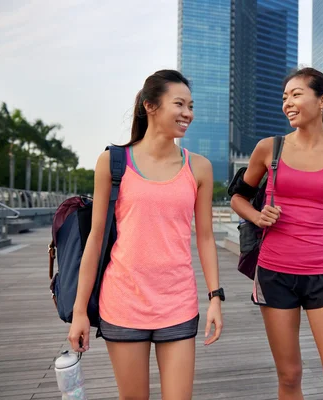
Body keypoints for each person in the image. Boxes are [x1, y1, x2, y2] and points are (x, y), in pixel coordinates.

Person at [68, 70, 224, 400]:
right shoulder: (112, 163)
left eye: (191, 106)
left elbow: (206, 237)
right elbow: (95, 239)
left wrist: (215, 297)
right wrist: (80, 311)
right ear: (150, 106)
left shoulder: (199, 168)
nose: (188, 114)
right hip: (123, 303)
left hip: (178, 303)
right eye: (179, 104)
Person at [230, 67, 323, 400]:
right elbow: (237, 197)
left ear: (322, 100)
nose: (287, 103)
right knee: (289, 377)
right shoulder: (269, 148)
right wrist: (258, 216)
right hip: (274, 274)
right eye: (284, 97)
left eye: (296, 95)